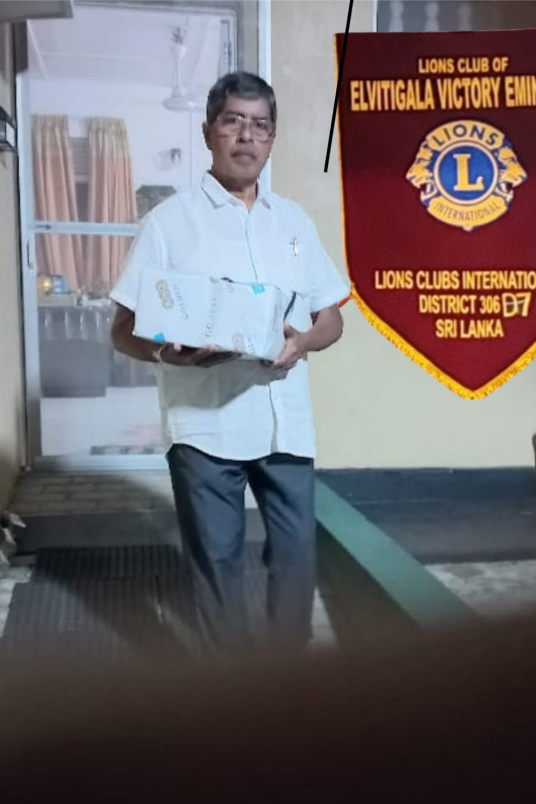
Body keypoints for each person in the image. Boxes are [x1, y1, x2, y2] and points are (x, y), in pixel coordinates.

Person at [110, 72, 348, 655]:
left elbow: (331, 318)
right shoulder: (170, 224)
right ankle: (232, 689)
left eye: (260, 125)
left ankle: (285, 677)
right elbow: (122, 330)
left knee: (295, 558)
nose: (247, 136)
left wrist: (304, 342)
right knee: (217, 563)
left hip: (285, 421)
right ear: (208, 132)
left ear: (272, 139)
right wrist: (169, 353)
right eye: (234, 121)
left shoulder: (292, 223)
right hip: (205, 423)